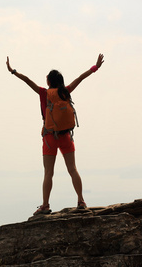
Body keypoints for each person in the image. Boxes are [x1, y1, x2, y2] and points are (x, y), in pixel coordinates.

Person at [6, 54, 104, 215]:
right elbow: (81, 78)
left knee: (48, 173)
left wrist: (13, 71)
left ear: (49, 81)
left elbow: (27, 80)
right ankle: (81, 201)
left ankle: (45, 205)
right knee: (72, 169)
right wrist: (95, 67)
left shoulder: (44, 93)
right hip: (66, 136)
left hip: (50, 138)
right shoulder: (66, 91)